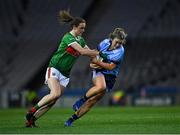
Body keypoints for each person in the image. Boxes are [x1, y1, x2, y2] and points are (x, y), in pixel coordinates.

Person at [25, 10, 99, 127]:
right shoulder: (68, 37)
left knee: (53, 100)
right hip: (55, 68)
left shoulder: (81, 40)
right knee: (54, 94)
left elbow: (89, 53)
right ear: (74, 27)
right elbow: (82, 51)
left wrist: (97, 59)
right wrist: (97, 52)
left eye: (84, 28)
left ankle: (31, 120)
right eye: (81, 28)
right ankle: (31, 111)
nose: (83, 30)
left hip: (65, 74)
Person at [64, 27, 127, 126]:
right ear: (112, 39)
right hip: (100, 71)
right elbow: (95, 53)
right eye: (117, 42)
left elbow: (110, 67)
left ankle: (70, 120)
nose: (118, 45)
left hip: (110, 76)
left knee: (92, 101)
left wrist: (96, 62)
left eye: (120, 43)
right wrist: (93, 62)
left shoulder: (120, 51)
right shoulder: (104, 43)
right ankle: (80, 101)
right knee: (101, 86)